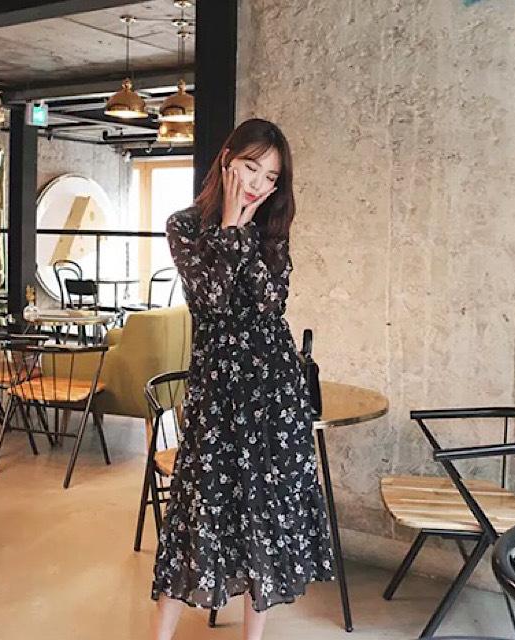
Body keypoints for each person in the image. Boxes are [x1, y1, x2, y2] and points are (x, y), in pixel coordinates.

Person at [151, 118, 334, 640]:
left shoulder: (271, 230)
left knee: (264, 520)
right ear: (228, 158)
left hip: (273, 393)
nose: (258, 184)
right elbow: (210, 298)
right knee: (196, 514)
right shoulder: (185, 226)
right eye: (252, 168)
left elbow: (271, 303)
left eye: (270, 177)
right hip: (216, 393)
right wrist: (231, 227)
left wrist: (247, 233)